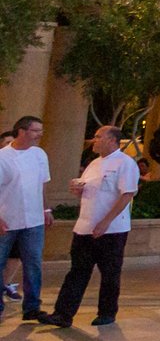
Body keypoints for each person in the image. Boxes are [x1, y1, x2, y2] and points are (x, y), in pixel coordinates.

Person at [43, 125, 140, 328]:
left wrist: (106, 221)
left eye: (98, 136)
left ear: (112, 140)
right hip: (85, 227)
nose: (94, 140)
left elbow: (127, 194)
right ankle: (63, 313)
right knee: (78, 271)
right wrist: (77, 189)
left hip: (111, 230)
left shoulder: (125, 163)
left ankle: (107, 312)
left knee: (110, 273)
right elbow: (90, 189)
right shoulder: (94, 164)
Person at [2, 115, 50, 321]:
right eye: (35, 130)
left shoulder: (39, 154)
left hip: (34, 220)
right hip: (7, 219)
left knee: (33, 263)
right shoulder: (3, 157)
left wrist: (46, 209)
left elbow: (42, 183)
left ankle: (31, 307)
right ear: (22, 131)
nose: (39, 135)